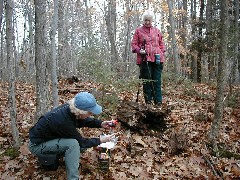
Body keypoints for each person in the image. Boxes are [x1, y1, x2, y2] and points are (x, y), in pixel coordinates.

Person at [28, 92, 115, 180]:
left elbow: (82, 120)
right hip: (37, 145)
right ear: (81, 112)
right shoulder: (63, 122)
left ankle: (65, 157)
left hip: (50, 138)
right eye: (90, 112)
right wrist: (100, 140)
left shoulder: (71, 110)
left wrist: (100, 124)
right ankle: (73, 178)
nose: (91, 114)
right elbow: (82, 142)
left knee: (79, 146)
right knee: (73, 144)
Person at [131, 11, 166, 106]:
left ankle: (158, 101)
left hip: (157, 59)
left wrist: (162, 52)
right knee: (147, 81)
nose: (147, 22)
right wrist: (139, 50)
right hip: (144, 59)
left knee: (157, 80)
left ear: (152, 21)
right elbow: (133, 44)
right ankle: (148, 101)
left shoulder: (157, 31)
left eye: (149, 20)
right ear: (143, 20)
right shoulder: (138, 31)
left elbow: (162, 44)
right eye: (146, 20)